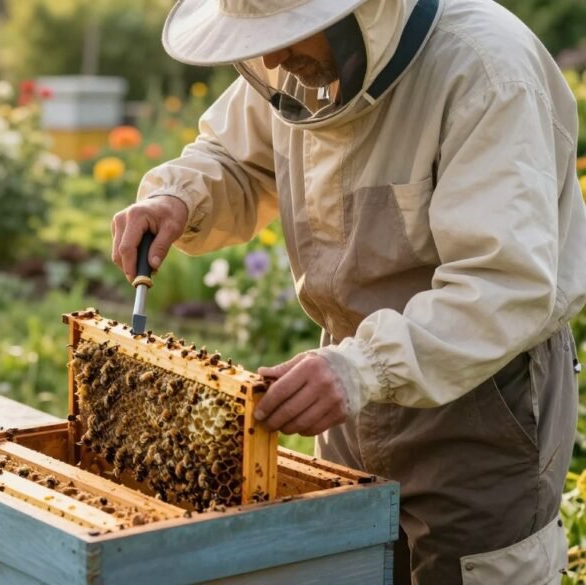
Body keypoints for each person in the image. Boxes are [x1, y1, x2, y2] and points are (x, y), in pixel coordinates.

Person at [110, 0, 586, 583]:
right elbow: (234, 155)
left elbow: (504, 284)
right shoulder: (303, 62)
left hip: (480, 409)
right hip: (347, 393)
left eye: (291, 33)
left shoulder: (486, 70)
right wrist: (180, 197)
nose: (273, 55)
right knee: (351, 565)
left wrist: (359, 370)